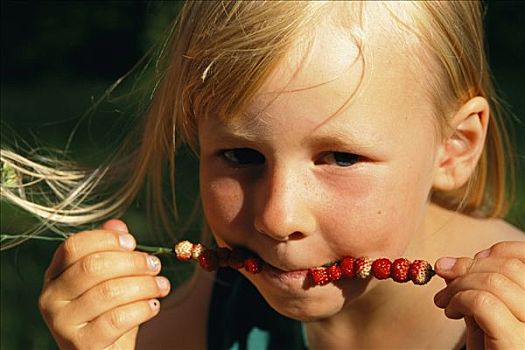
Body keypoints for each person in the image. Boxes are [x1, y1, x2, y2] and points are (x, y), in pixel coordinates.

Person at [1, 1, 524, 349]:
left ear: (454, 148)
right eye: (242, 156)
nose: (277, 218)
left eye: (340, 158)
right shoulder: (230, 298)